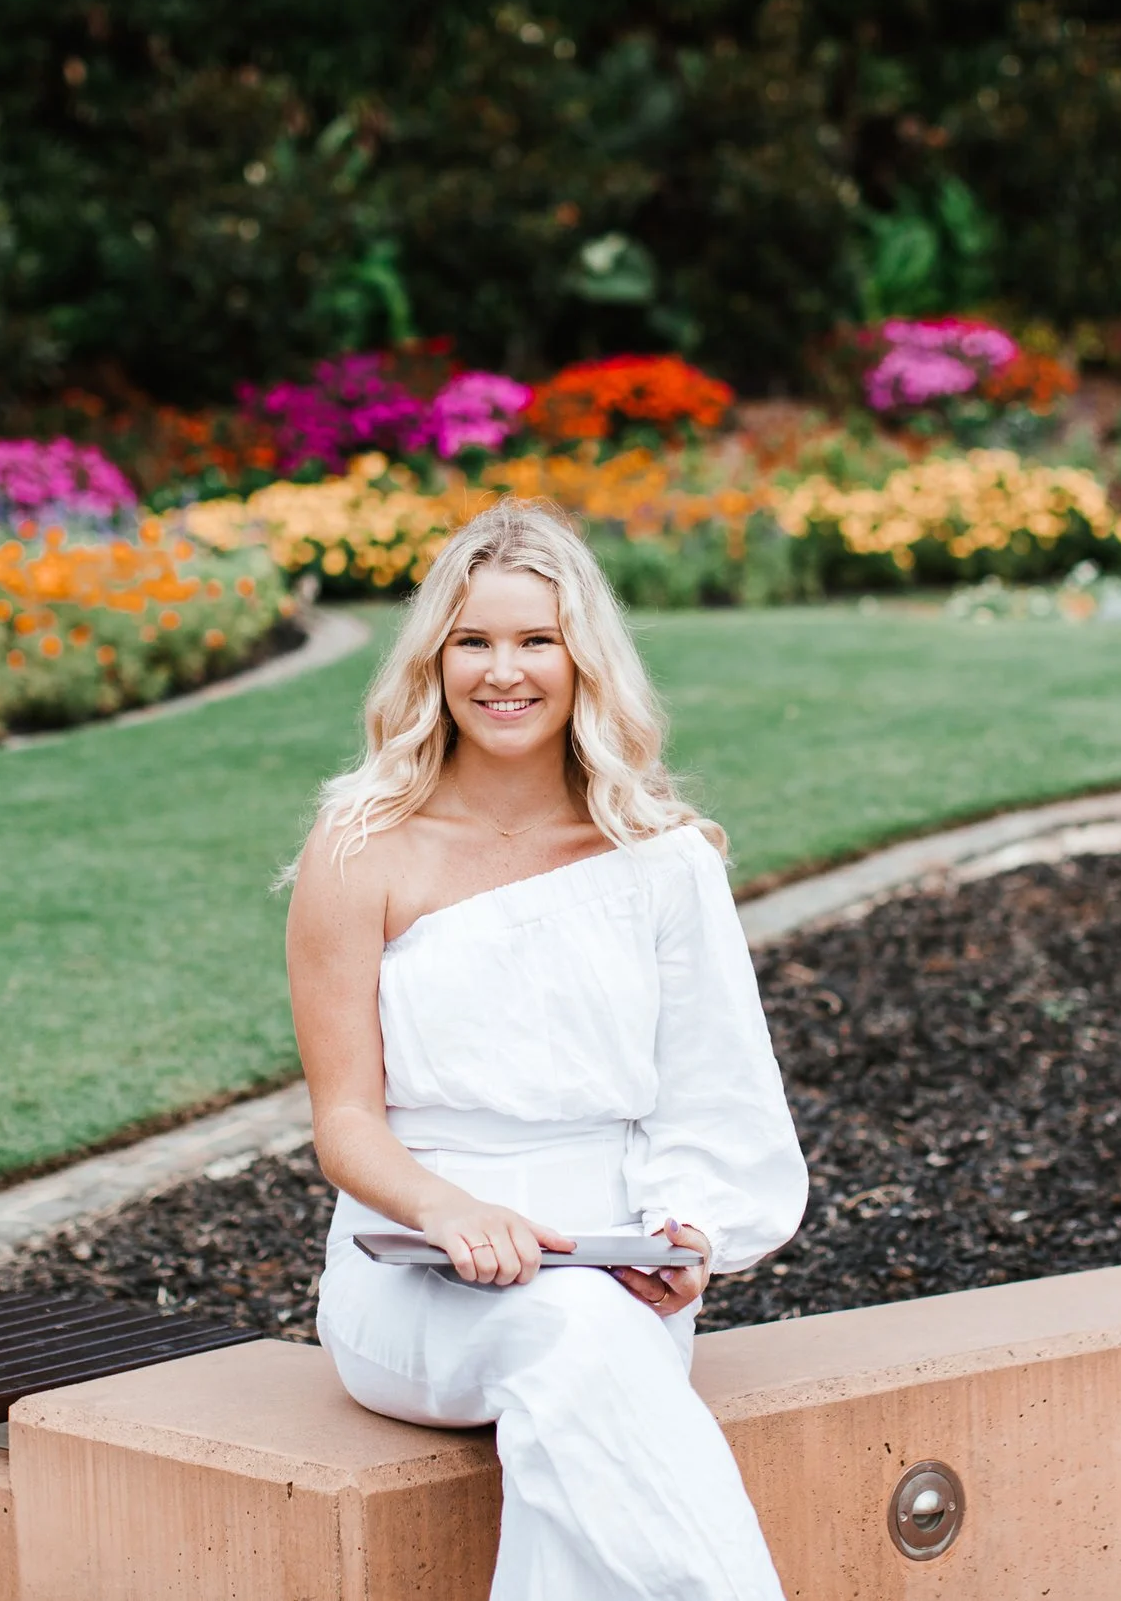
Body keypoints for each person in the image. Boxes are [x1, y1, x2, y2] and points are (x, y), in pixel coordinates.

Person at [284, 499, 808, 1599]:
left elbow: (714, 1092)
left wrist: (687, 1236)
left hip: (615, 1277)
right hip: (411, 1270)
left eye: (536, 639)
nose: (502, 671)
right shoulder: (361, 844)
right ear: (434, 660)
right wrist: (447, 1210)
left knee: (582, 1335)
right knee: (572, 1331)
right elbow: (345, 1122)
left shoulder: (662, 856)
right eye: (472, 640)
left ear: (583, 659)